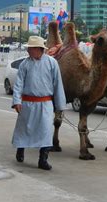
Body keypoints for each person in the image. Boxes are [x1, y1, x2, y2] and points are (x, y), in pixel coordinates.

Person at [11, 36, 66, 170]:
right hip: (28, 103)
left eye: (30, 48)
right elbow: (18, 84)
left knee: (46, 131)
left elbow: (57, 84)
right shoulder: (25, 64)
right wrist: (17, 101)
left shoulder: (52, 63)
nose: (28, 50)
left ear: (38, 49)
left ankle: (43, 159)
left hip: (45, 103)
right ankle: (20, 148)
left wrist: (60, 106)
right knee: (24, 129)